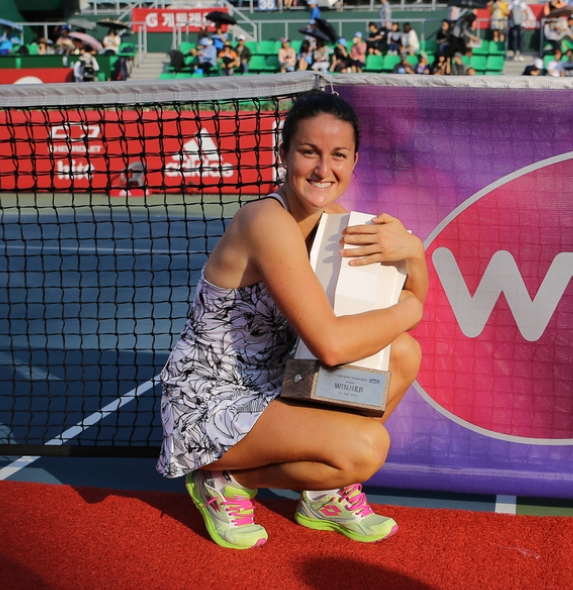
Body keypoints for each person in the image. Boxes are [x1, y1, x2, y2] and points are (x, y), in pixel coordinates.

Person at [158, 92, 427, 550]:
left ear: (354, 161)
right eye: (309, 152)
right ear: (283, 155)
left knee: (404, 352)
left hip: (281, 383)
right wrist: (413, 308)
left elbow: (401, 309)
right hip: (212, 400)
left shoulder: (341, 224)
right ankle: (221, 478)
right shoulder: (266, 221)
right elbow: (333, 346)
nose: (324, 169)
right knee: (365, 449)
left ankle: (322, 495)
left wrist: (415, 255)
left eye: (338, 155)